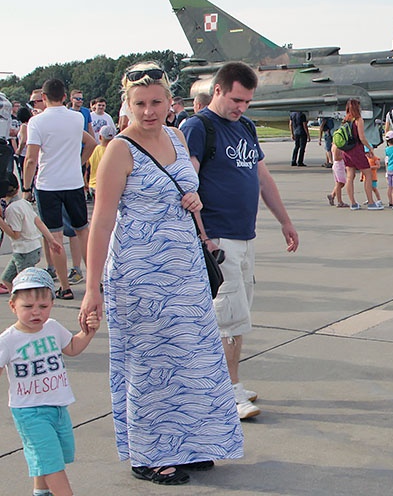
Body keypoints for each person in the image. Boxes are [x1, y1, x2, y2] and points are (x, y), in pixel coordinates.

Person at [80, 62, 244, 483]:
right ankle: (148, 453)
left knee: (191, 357)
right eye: (140, 104)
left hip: (186, 268)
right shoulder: (120, 149)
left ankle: (188, 442)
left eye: (156, 102)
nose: (149, 111)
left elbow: (187, 190)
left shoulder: (175, 134)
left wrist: (196, 208)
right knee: (151, 363)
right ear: (127, 105)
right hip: (140, 275)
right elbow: (100, 222)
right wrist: (91, 287)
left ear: (171, 102)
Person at [181, 61, 299, 419]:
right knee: (228, 318)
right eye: (236, 100)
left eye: (247, 102)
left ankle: (229, 382)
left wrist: (285, 221)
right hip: (218, 238)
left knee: (239, 314)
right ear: (217, 90)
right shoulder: (198, 127)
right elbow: (187, 185)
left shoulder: (245, 126)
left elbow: (262, 179)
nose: (241, 108)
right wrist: (204, 237)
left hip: (244, 235)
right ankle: (227, 392)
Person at [0, 267, 99, 496]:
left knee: (51, 455)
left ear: (51, 305)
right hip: (29, 412)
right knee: (51, 461)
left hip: (57, 406)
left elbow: (72, 347)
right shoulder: (8, 340)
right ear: (13, 306)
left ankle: (40, 492)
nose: (36, 313)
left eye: (43, 307)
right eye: (28, 307)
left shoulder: (52, 328)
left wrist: (89, 332)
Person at [22, 79, 97, 301]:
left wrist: (26, 187)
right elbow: (92, 143)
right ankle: (94, 281)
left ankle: (64, 286)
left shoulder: (37, 122)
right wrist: (79, 162)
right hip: (73, 182)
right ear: (65, 97)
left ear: (43, 98)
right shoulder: (76, 117)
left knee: (54, 237)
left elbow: (31, 159)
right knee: (83, 231)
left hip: (48, 184)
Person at [0, 177, 64, 293]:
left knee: (24, 284)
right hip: (32, 248)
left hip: (25, 252)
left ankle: (27, 301)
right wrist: (51, 240)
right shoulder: (24, 203)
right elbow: (38, 221)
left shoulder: (12, 209)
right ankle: (18, 302)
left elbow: (16, 235)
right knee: (7, 278)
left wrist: (1, 222)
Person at [336, 99, 377, 210]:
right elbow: (362, 137)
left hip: (347, 151)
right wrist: (369, 148)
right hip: (357, 150)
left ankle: (353, 203)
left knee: (350, 176)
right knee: (368, 174)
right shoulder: (358, 120)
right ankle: (371, 202)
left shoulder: (345, 120)